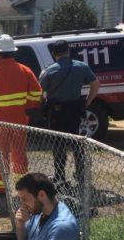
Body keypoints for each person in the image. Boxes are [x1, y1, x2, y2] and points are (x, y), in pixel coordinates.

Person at [0, 35, 43, 195]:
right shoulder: (25, 70)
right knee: (19, 154)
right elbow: (36, 95)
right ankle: (22, 187)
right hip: (19, 120)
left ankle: (0, 186)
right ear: (13, 53)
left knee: (0, 153)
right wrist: (23, 105)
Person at [39, 40, 99, 185]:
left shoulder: (49, 70)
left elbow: (40, 92)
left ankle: (60, 177)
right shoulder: (81, 66)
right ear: (68, 51)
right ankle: (81, 174)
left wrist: (42, 105)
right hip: (75, 109)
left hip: (57, 112)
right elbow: (95, 84)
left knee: (58, 143)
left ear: (54, 54)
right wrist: (88, 101)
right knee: (77, 142)